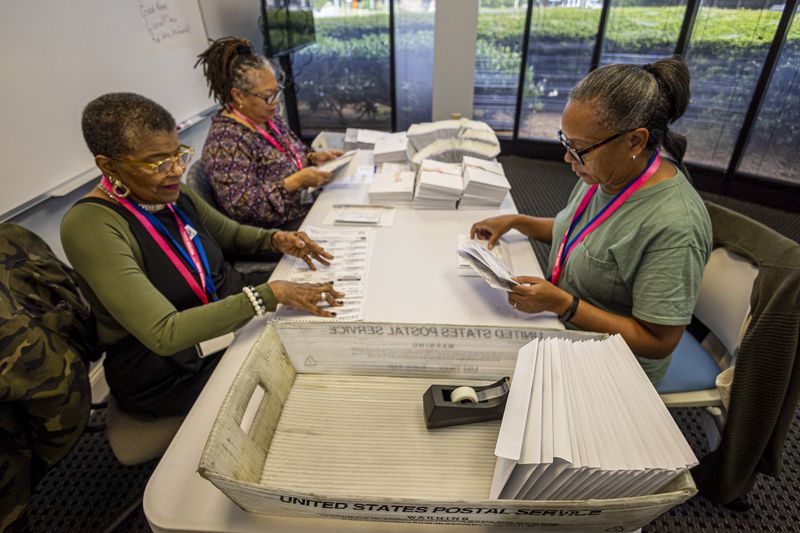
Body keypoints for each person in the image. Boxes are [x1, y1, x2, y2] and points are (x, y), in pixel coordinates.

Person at [61, 93, 344, 418]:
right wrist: (269, 295)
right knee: (302, 383)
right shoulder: (90, 225)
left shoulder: (167, 191)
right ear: (108, 166)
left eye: (178, 154)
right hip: (169, 364)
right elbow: (164, 333)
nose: (176, 171)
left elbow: (231, 234)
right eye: (158, 163)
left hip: (223, 310)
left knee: (319, 328)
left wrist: (276, 240)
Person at [471, 56, 712, 385]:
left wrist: (564, 306)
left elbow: (659, 342)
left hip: (616, 363)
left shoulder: (675, 226)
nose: (569, 158)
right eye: (565, 142)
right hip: (566, 329)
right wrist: (517, 221)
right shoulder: (606, 173)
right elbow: (577, 233)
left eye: (580, 148)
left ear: (635, 141)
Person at [195, 37, 343, 229]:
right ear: (239, 95)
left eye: (277, 91)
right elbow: (242, 207)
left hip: (304, 208)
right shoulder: (225, 142)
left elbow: (293, 153)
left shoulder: (267, 118)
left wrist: (313, 157)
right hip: (274, 232)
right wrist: (295, 182)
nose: (275, 102)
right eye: (267, 96)